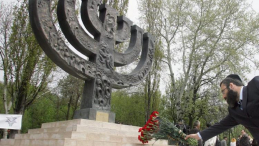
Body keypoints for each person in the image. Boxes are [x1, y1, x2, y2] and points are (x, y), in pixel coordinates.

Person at [185, 74, 259, 142]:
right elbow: (220, 126)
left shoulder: (255, 84)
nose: (223, 96)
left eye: (223, 92)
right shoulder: (234, 111)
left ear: (231, 85)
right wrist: (198, 136)